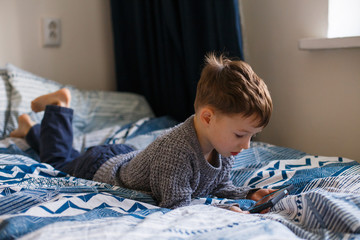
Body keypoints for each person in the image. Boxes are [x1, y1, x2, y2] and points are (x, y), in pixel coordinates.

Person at [10, 53, 274, 213]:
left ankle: (29, 128)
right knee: (59, 162)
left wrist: (248, 194)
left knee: (69, 155)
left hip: (130, 158)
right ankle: (59, 108)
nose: (247, 145)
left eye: (251, 136)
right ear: (207, 117)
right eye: (241, 134)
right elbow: (177, 206)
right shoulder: (177, 152)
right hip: (101, 166)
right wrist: (222, 212)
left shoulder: (224, 146)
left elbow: (218, 185)